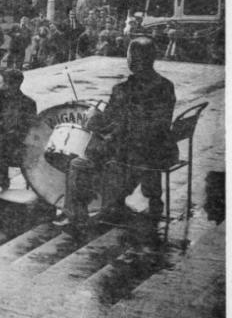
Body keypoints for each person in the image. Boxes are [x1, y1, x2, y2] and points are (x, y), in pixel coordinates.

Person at [57, 36, 177, 233]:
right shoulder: (166, 85)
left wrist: (95, 121)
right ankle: (149, 200)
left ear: (131, 60)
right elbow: (153, 123)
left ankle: (78, 216)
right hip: (162, 151)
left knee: (78, 163)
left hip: (131, 155)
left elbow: (109, 124)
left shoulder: (123, 89)